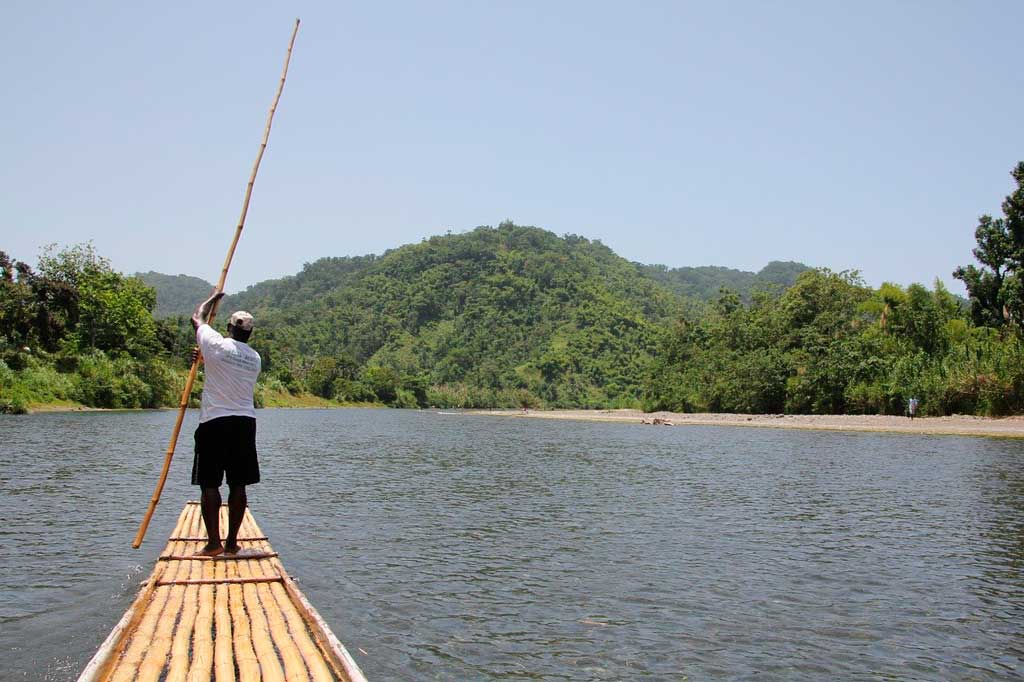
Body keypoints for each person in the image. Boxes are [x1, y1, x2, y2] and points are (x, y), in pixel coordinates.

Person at [190, 292, 262, 557]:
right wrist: (202, 358)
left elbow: (196, 318)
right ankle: (232, 543)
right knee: (238, 484)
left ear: (229, 328)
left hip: (215, 421)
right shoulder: (254, 358)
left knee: (209, 484)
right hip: (245, 422)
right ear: (250, 334)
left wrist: (212, 298)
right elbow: (224, 368)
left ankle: (213, 544)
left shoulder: (217, 345)